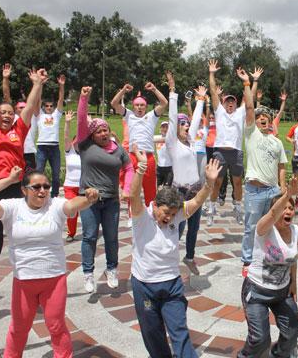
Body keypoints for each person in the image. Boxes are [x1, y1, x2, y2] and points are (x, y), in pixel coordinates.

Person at [0, 170, 98, 357]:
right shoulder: (12, 206)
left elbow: (72, 206)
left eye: (46, 186)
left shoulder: (55, 205)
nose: (42, 191)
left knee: (56, 325)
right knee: (19, 328)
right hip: (23, 280)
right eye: (36, 187)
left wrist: (88, 199)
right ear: (24, 190)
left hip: (54, 279)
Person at [129, 146, 221, 358]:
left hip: (171, 285)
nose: (169, 217)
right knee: (153, 335)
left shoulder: (177, 215)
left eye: (173, 213)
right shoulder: (142, 216)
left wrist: (209, 183)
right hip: (145, 286)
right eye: (165, 213)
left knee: (179, 332)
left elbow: (197, 201)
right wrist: (141, 168)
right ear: (155, 205)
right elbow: (134, 195)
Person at [0, 50, 47, 300]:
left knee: (25, 235)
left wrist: (37, 84)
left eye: (10, 112)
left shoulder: (19, 129)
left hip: (15, 189)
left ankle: (31, 282)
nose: (7, 115)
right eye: (2, 112)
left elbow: (27, 109)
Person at [77, 86, 134, 293]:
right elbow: (82, 120)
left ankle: (112, 269)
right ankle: (88, 273)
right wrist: (84, 98)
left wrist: (127, 189)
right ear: (92, 135)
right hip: (88, 200)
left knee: (111, 237)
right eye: (99, 131)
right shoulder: (85, 146)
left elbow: (129, 168)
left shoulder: (118, 150)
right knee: (90, 236)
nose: (103, 133)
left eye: (106, 130)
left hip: (111, 200)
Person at [238, 177, 298, 358]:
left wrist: (294, 283)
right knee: (260, 339)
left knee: (292, 333)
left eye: (291, 207)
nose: (287, 211)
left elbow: (293, 258)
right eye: (284, 208)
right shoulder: (264, 228)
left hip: (282, 292)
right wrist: (288, 194)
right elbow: (273, 213)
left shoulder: (295, 231)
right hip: (257, 291)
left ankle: (277, 355)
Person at [239, 67, 288, 276]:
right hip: (254, 190)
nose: (263, 118)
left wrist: (283, 190)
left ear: (270, 121)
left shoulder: (277, 142)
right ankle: (248, 260)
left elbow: (282, 167)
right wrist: (247, 83)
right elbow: (250, 107)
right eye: (260, 117)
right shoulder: (251, 135)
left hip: (272, 190)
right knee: (251, 226)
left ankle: (270, 255)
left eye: (266, 116)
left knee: (272, 226)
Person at [165, 71, 207, 275]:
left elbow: (197, 120)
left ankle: (189, 256)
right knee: (177, 227)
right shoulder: (172, 144)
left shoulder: (191, 143)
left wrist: (200, 101)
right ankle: (170, 258)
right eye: (183, 124)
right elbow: (172, 119)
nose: (187, 126)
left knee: (194, 228)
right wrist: (172, 92)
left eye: (187, 124)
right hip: (179, 193)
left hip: (196, 191)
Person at [111, 79, 168, 206]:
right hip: (133, 157)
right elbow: (114, 103)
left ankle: (151, 216)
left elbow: (164, 103)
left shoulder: (152, 116)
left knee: (150, 192)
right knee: (133, 190)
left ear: (146, 106)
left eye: (142, 105)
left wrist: (154, 89)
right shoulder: (129, 115)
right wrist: (123, 91)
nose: (139, 107)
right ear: (133, 106)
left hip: (148, 157)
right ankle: (133, 217)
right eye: (137, 105)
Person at [207, 59, 246, 225]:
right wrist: (211, 74)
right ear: (223, 104)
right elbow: (213, 92)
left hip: (235, 152)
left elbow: (248, 99)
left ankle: (237, 207)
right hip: (220, 152)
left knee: (237, 182)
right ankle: (212, 207)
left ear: (236, 104)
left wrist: (248, 82)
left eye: (233, 102)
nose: (230, 104)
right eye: (227, 101)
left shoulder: (240, 113)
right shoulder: (219, 113)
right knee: (217, 181)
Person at [2, 63, 38, 172]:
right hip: (14, 151)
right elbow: (6, 96)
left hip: (29, 153)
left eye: (25, 107)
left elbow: (35, 101)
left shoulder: (30, 117)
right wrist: (5, 79)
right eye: (20, 107)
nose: (23, 109)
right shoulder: (12, 118)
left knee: (30, 182)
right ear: (15, 109)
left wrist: (37, 83)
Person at [36, 74, 65, 198]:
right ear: (43, 107)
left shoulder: (57, 115)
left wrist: (61, 86)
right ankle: (37, 194)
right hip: (42, 147)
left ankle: (54, 195)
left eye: (51, 106)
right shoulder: (39, 115)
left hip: (54, 147)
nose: (49, 107)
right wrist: (40, 84)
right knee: (38, 173)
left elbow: (60, 99)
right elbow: (37, 99)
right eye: (46, 106)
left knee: (56, 174)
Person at [63, 110, 81, 242]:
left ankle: (90, 231)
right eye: (76, 140)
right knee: (71, 211)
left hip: (84, 187)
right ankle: (71, 233)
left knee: (87, 213)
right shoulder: (69, 152)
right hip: (70, 186)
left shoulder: (88, 153)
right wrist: (68, 123)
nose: (78, 142)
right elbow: (65, 136)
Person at [155, 121, 173, 187]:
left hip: (169, 168)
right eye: (163, 127)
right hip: (159, 167)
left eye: (166, 127)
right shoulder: (156, 138)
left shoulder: (171, 138)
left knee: (167, 189)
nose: (165, 129)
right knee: (158, 188)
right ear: (160, 128)